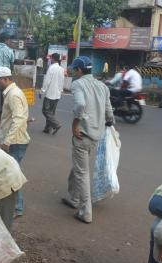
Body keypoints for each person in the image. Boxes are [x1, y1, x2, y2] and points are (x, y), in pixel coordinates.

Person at [61, 56, 115, 224]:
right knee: (79, 167)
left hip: (82, 135)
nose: (72, 71)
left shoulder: (77, 84)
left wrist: (75, 123)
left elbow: (80, 105)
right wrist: (110, 122)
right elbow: (108, 111)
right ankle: (73, 197)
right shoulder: (102, 86)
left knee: (82, 172)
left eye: (74, 69)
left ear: (79, 70)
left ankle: (85, 211)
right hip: (96, 136)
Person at [0, 67, 30, 218]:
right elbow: (20, 117)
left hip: (15, 142)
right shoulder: (13, 93)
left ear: (5, 79)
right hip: (15, 140)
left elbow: (18, 118)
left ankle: (17, 208)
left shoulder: (13, 94)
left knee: (12, 175)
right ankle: (15, 206)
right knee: (11, 173)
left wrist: (7, 142)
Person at [39, 53, 64, 135]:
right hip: (57, 94)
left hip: (50, 94)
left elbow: (47, 80)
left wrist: (42, 90)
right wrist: (60, 91)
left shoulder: (51, 68)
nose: (50, 59)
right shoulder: (61, 69)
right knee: (51, 112)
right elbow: (62, 82)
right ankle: (47, 129)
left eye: (50, 58)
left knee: (45, 111)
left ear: (53, 59)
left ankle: (56, 124)